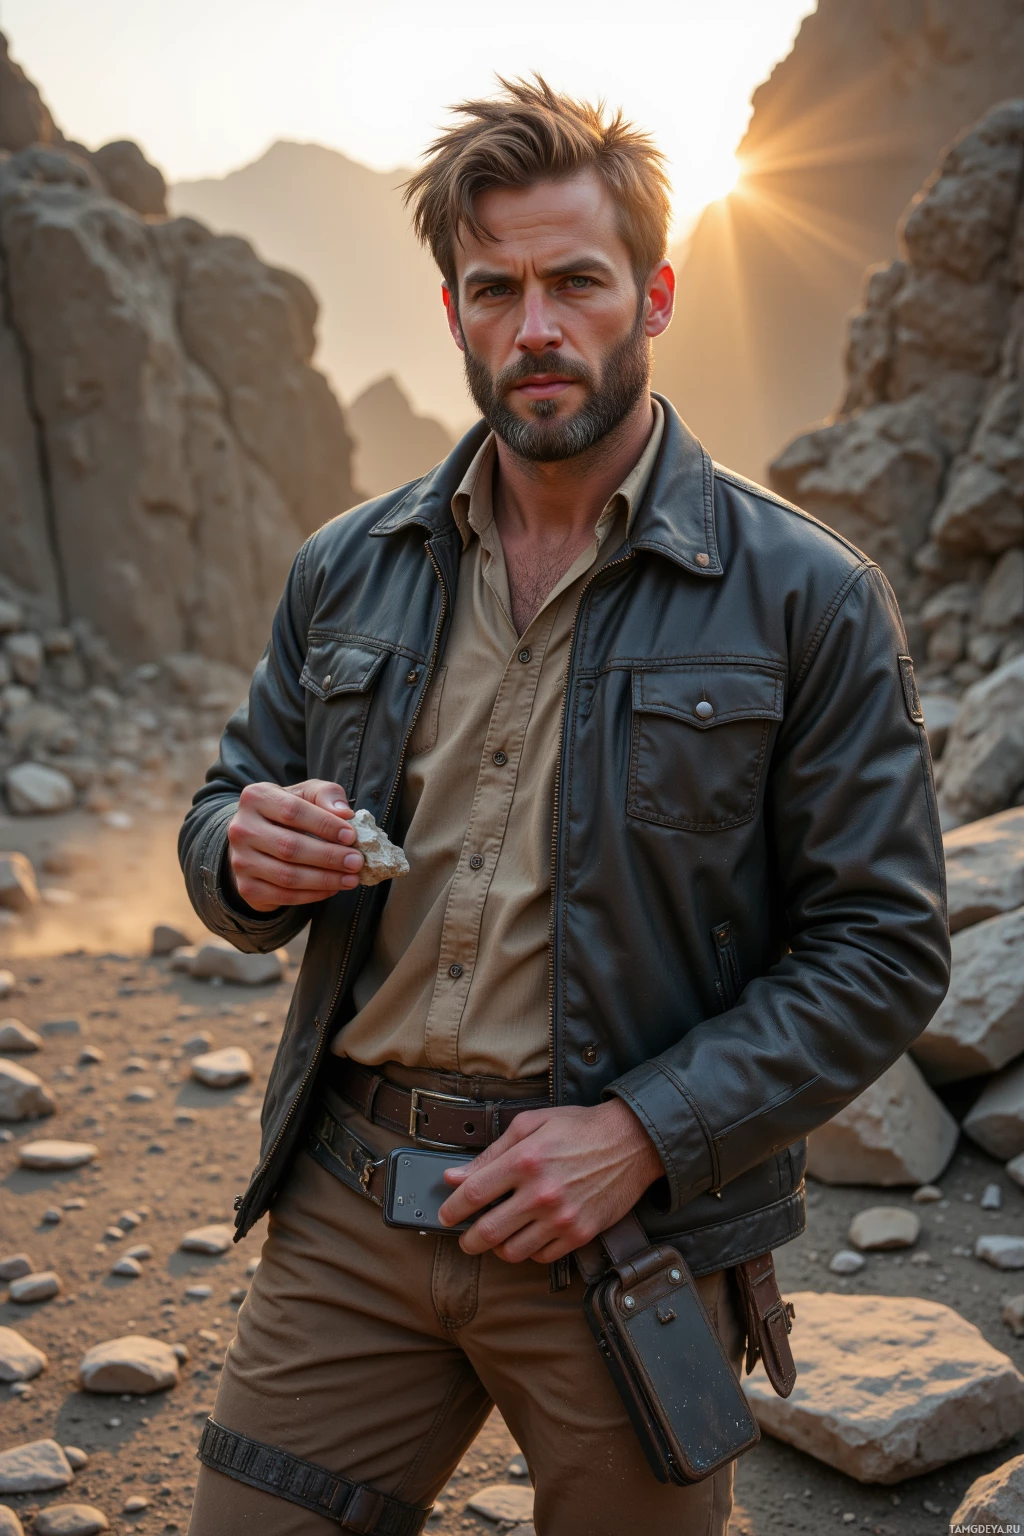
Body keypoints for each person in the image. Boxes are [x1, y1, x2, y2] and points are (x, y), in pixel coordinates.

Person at [181, 76, 949, 1536]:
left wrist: (644, 1133)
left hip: (630, 1233)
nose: (536, 326)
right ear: (456, 313)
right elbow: (222, 805)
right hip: (350, 1202)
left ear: (653, 295)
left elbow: (886, 947)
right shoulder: (346, 566)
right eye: (496, 288)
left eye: (575, 282)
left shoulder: (808, 598)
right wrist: (239, 851)